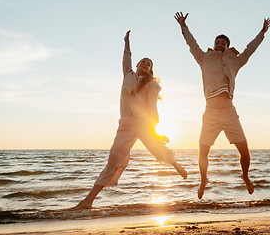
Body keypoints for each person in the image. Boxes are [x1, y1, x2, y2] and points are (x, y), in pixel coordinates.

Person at [71, 30, 187, 210]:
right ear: (138, 64)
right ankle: (88, 201)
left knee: (158, 148)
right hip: (125, 125)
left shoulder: (152, 85)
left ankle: (176, 164)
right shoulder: (128, 75)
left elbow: (152, 108)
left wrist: (157, 131)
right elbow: (126, 59)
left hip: (143, 124)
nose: (145, 65)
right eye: (143, 62)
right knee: (113, 160)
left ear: (150, 70)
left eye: (148, 64)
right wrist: (126, 42)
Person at [174, 12, 270, 199]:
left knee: (244, 150)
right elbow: (191, 43)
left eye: (223, 43)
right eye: (217, 42)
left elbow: (250, 49)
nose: (219, 44)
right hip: (210, 112)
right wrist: (183, 26)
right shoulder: (204, 58)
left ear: (227, 46)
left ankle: (245, 175)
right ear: (214, 44)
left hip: (228, 111)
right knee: (203, 151)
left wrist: (262, 32)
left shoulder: (235, 60)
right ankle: (203, 180)